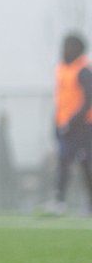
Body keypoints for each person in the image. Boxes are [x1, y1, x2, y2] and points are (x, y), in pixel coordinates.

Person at [52, 31, 92, 214]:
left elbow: (88, 99)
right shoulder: (62, 69)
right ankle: (59, 201)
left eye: (68, 45)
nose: (64, 49)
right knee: (63, 163)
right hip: (65, 127)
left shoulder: (83, 70)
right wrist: (56, 122)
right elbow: (61, 100)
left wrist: (75, 120)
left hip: (83, 126)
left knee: (86, 164)